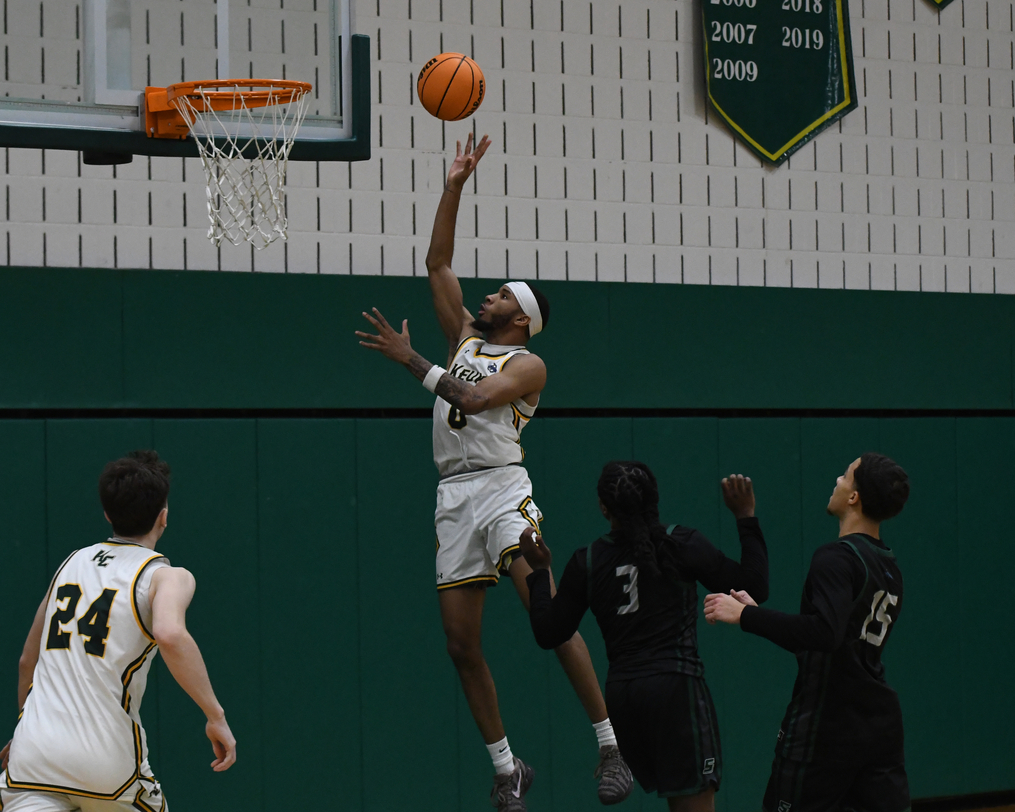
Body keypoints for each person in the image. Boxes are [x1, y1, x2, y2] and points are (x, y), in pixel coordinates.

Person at [355, 133, 631, 810]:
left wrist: (412, 363)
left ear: (523, 319)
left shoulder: (526, 366)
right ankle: (507, 768)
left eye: (502, 293)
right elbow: (436, 259)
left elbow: (471, 399)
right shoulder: (465, 339)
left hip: (504, 489)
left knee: (550, 616)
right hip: (453, 497)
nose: (488, 293)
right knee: (458, 643)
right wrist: (454, 185)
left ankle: (607, 743)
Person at [519, 461, 770, 812]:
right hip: (675, 692)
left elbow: (548, 633)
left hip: (624, 701)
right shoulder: (682, 543)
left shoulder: (588, 561)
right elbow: (755, 586)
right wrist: (745, 516)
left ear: (604, 508)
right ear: (655, 499)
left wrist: (541, 571)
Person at [0, 450, 236, 812]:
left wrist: (30, 730)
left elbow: (26, 662)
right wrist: (215, 716)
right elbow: (170, 634)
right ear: (164, 517)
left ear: (108, 514)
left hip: (32, 756)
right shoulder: (165, 576)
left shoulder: (70, 563)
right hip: (105, 762)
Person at [704, 453, 910, 812]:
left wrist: (744, 617)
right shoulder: (889, 566)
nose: (837, 481)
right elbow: (830, 645)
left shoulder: (835, 557)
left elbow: (822, 634)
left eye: (845, 476)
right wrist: (757, 613)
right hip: (879, 728)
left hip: (826, 727)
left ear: (854, 497)